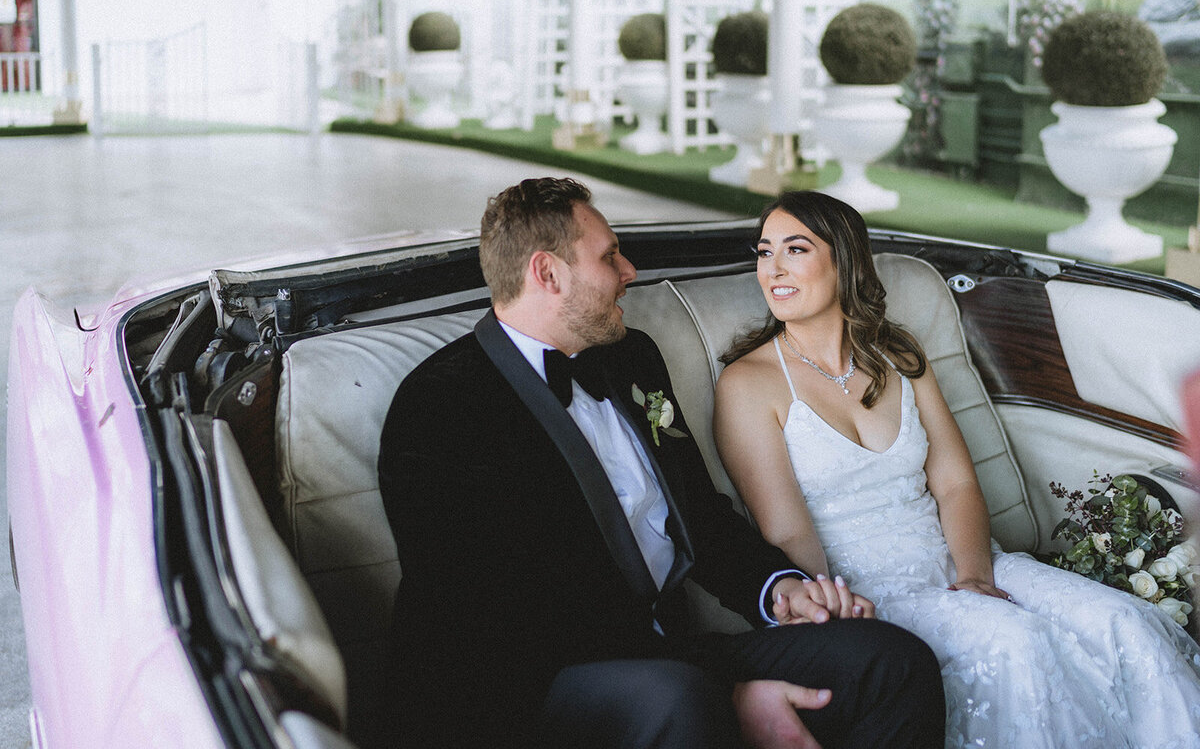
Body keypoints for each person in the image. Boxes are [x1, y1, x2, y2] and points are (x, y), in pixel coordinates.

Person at [377, 178, 945, 749]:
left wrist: (779, 589)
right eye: (609, 257)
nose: (630, 271)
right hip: (526, 685)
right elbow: (480, 620)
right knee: (676, 699)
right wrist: (729, 691)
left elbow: (699, 514)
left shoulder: (633, 357)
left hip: (670, 652)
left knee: (891, 660)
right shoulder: (440, 405)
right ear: (547, 274)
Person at [713, 190, 1200, 748]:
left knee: (1124, 623)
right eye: (763, 251)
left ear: (843, 262)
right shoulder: (748, 384)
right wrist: (836, 623)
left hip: (962, 557)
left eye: (794, 249)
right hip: (868, 592)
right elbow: (786, 531)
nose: (770, 268)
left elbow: (956, 482)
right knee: (1014, 642)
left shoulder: (899, 356)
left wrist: (973, 576)